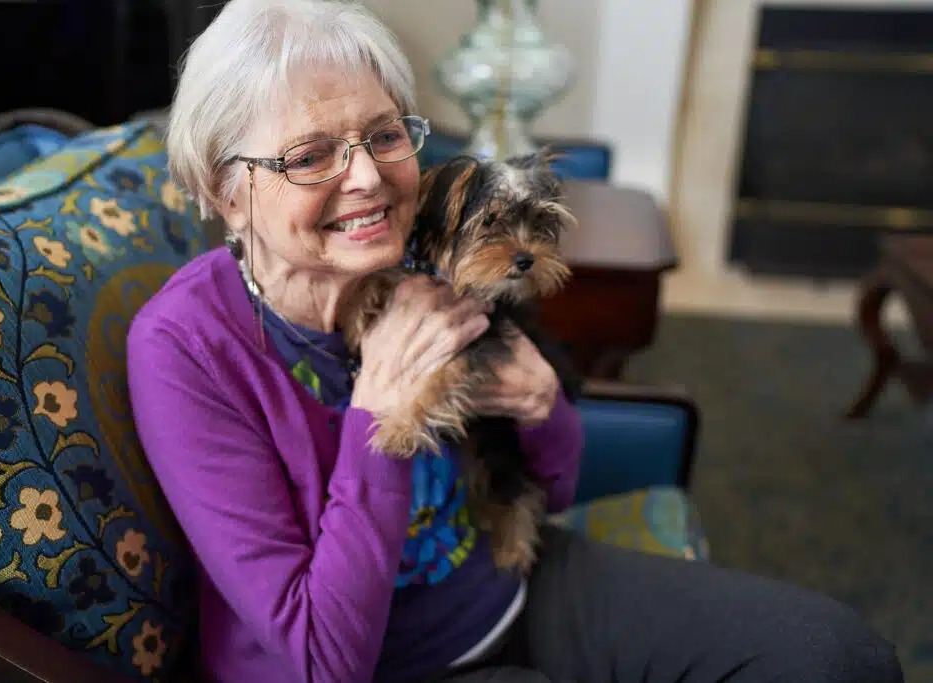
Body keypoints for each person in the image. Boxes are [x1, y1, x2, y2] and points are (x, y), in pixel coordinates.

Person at [126, 1, 904, 682]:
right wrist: (381, 415)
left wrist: (542, 405)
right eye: (310, 155)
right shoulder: (187, 348)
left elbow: (553, 488)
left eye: (384, 134)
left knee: (838, 657)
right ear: (226, 192)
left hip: (513, 581)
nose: (366, 177)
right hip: (388, 663)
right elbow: (324, 659)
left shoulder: (423, 261)